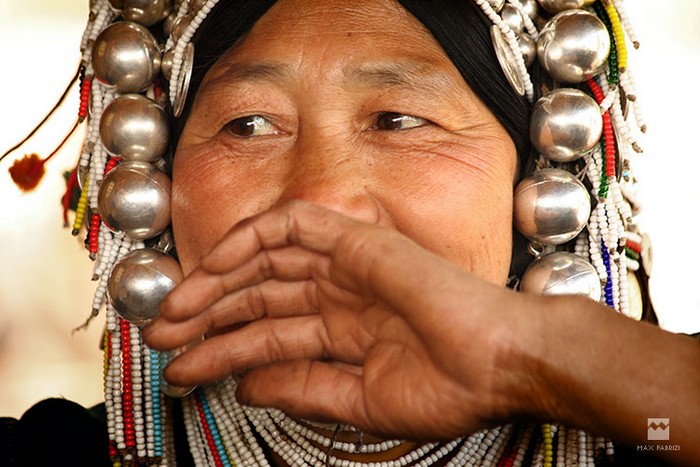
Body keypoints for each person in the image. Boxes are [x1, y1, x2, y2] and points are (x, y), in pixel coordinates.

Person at [2, 0, 698, 466]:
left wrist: (541, 356)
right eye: (249, 125)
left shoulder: (659, 431)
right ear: (155, 183)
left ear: (541, 171)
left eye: (397, 120)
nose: (321, 200)